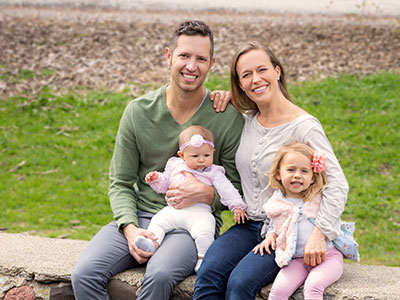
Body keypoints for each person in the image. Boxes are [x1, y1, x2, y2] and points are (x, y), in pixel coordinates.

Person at [71, 20, 244, 300]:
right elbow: (121, 182)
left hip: (192, 225)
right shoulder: (138, 112)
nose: (192, 66)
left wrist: (207, 193)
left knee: (160, 275)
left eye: (201, 59)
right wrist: (129, 228)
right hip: (140, 216)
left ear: (211, 64)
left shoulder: (225, 117)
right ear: (168, 56)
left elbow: (237, 187)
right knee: (84, 275)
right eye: (184, 56)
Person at [194, 41, 349, 300]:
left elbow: (338, 184)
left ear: (277, 71)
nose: (256, 79)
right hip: (249, 225)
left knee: (239, 284)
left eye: (262, 70)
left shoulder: (304, 127)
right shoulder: (246, 121)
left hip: (287, 229)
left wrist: (320, 234)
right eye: (246, 75)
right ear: (240, 84)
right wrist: (229, 98)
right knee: (208, 274)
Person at [253, 141, 359, 300]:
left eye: (304, 171)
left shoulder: (318, 198)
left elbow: (331, 217)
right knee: (278, 292)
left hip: (327, 258)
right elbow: (277, 224)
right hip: (297, 261)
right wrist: (270, 236)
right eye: (290, 170)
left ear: (312, 177)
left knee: (313, 287)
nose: (297, 175)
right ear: (278, 174)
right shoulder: (277, 203)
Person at [135, 125, 248, 272]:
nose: (201, 160)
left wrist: (237, 206)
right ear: (182, 155)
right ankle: (152, 243)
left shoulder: (213, 172)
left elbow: (227, 189)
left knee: (206, 229)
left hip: (199, 213)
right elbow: (164, 186)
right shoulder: (175, 165)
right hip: (173, 211)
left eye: (206, 156)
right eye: (195, 156)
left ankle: (203, 259)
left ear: (212, 152)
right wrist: (155, 179)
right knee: (158, 221)